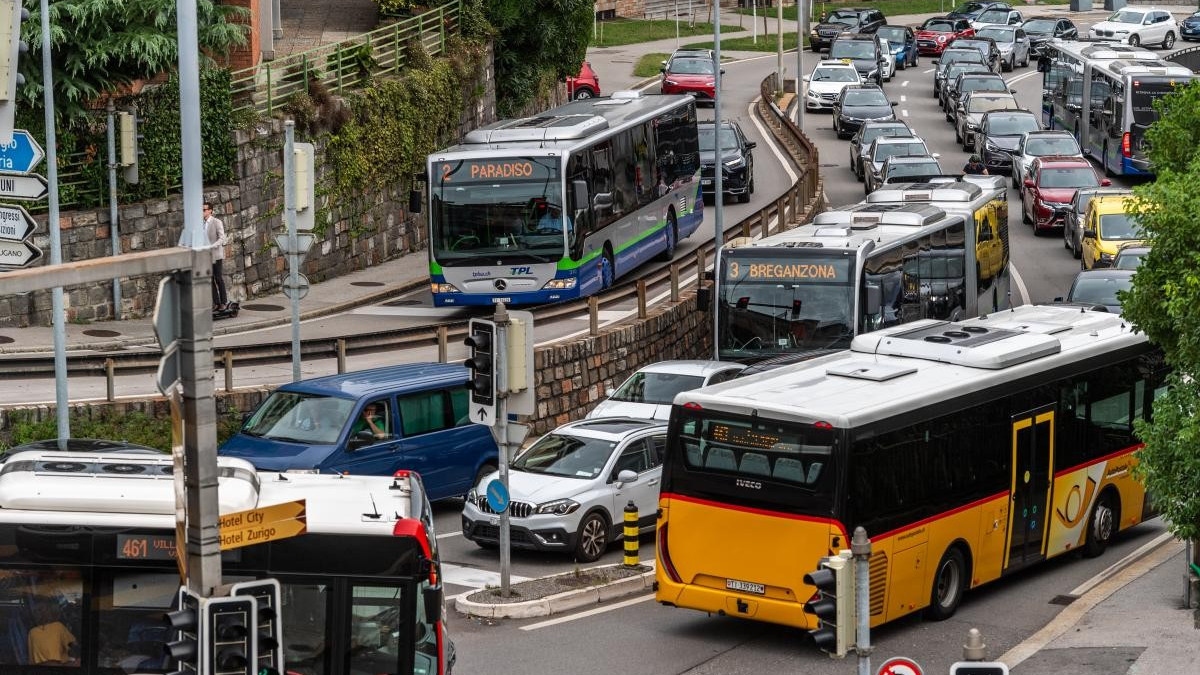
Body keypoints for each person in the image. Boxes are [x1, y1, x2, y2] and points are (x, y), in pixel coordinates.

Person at [27, 601, 78, 666]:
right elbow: (73, 644)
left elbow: (31, 659)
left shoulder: (32, 632)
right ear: (50, 614)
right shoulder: (58, 626)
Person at [204, 202, 230, 311]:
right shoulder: (201, 224)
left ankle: (223, 302)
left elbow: (222, 238)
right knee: (210, 280)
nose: (202, 212)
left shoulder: (216, 222)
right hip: (206, 257)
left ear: (210, 210)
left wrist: (212, 246)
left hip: (216, 255)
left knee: (218, 278)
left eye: (204, 210)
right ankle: (216, 303)